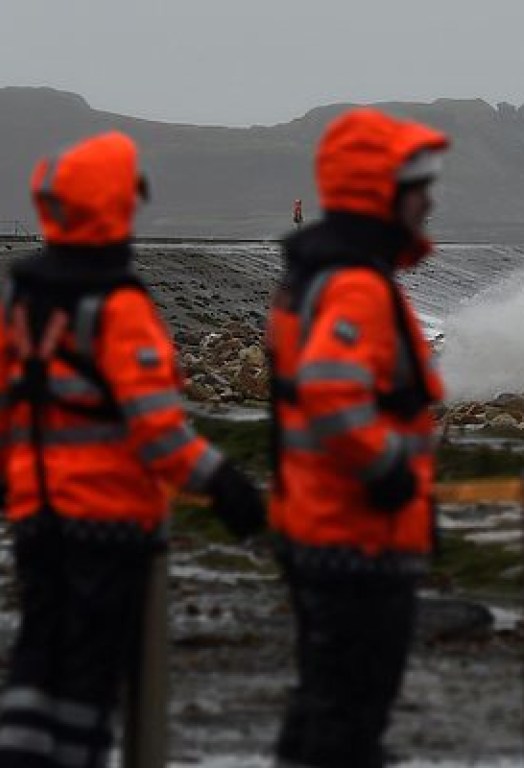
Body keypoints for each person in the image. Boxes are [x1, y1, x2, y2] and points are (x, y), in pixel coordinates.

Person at [0, 131, 266, 767]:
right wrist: (225, 485)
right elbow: (157, 431)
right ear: (115, 207)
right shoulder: (118, 307)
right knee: (88, 684)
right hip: (106, 521)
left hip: (37, 514)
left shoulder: (23, 298)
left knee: (39, 665)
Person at [268, 108, 448, 768]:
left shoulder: (322, 274)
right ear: (383, 194)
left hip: (320, 527)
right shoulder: (356, 286)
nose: (431, 200)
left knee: (324, 707)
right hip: (353, 536)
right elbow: (328, 390)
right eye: (419, 186)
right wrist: (390, 467)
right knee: (348, 717)